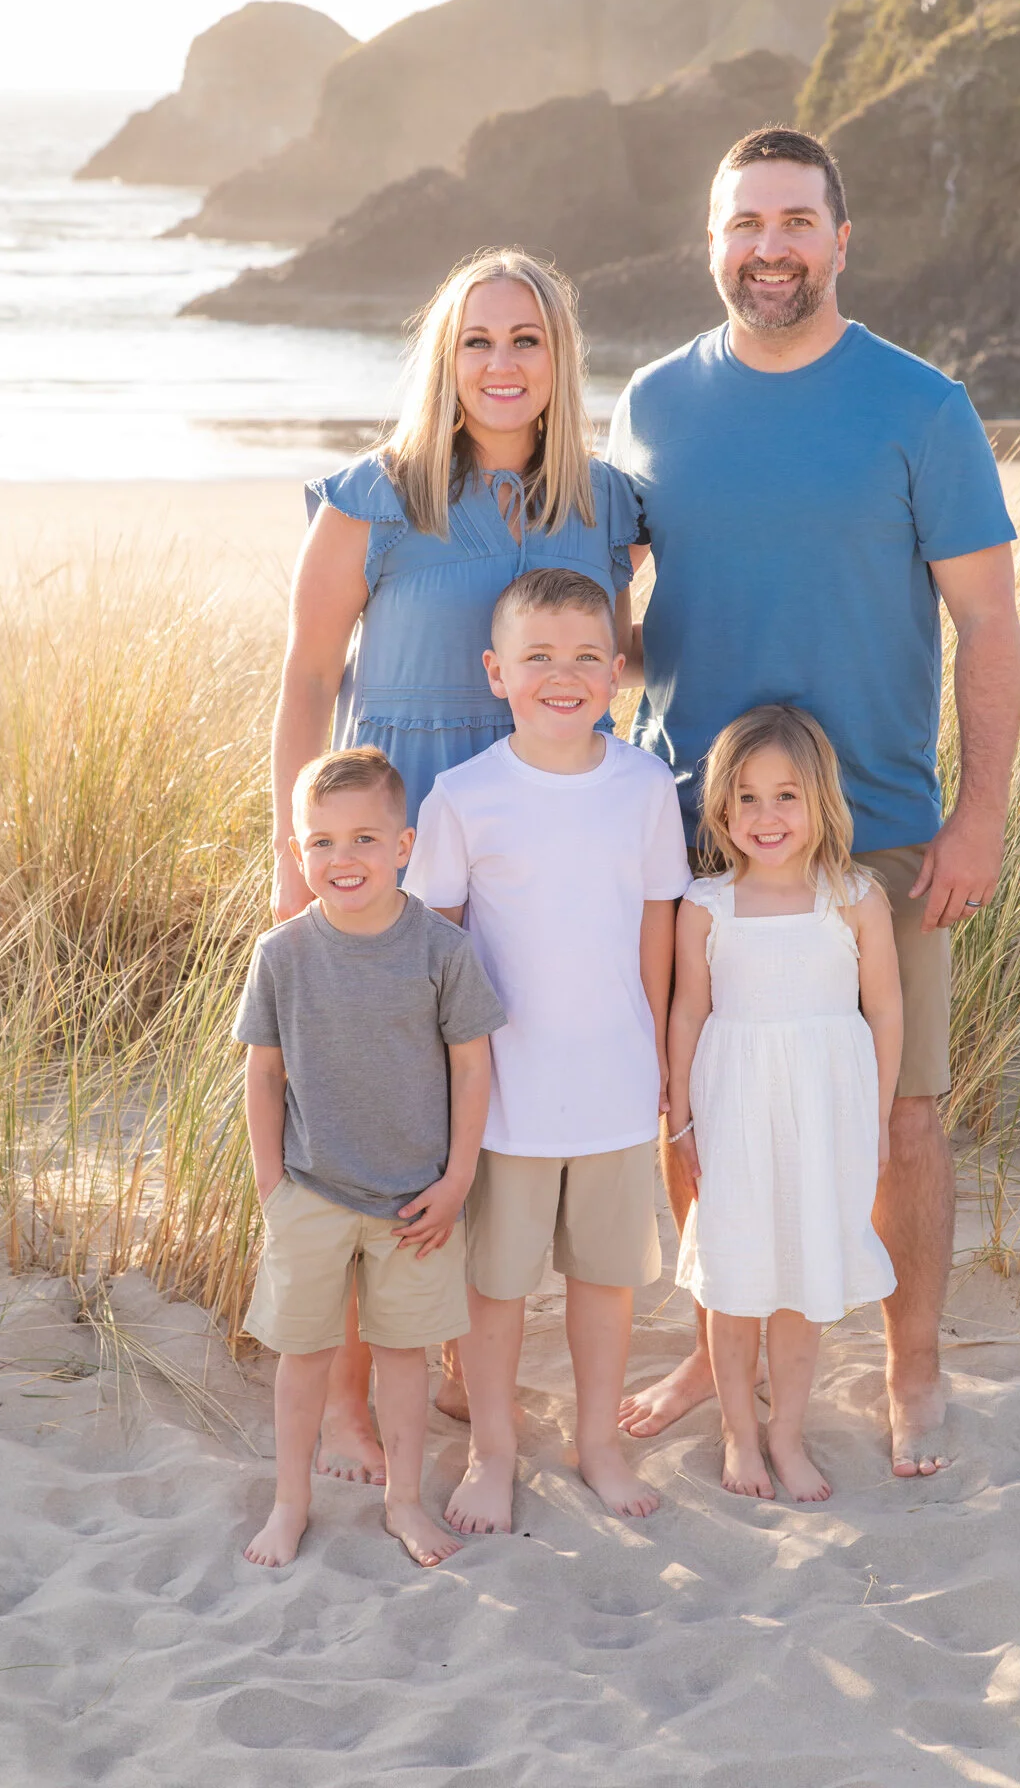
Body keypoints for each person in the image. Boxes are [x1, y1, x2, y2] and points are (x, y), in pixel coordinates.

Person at [609, 126, 1020, 1478]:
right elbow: (616, 619)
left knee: (904, 1113)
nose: (770, 248)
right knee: (697, 1104)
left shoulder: (921, 407)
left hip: (888, 831)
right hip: (693, 835)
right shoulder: (656, 404)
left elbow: (989, 622)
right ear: (711, 241)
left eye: (796, 222)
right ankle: (711, 1339)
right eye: (745, 224)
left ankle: (912, 1367)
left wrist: (980, 816)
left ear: (841, 241)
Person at [271, 249, 643, 1484]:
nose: (500, 365)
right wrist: (295, 857)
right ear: (444, 356)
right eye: (476, 341)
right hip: (398, 849)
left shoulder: (610, 505)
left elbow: (610, 657)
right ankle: (340, 1405)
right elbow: (309, 680)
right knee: (376, 1117)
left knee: (494, 1103)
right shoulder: (370, 498)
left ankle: (451, 1367)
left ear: (558, 360)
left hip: (549, 849)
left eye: (525, 340)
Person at [404, 567, 689, 1532]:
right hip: (504, 1094)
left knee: (606, 1282)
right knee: (497, 1289)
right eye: (536, 658)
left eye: (582, 658)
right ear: (496, 672)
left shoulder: (645, 785)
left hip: (612, 1079)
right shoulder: (463, 796)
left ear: (616, 671)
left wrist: (656, 1055)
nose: (559, 676)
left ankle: (597, 1442)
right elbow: (434, 945)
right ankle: (492, 1449)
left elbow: (657, 929)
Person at [235, 747, 505, 1568]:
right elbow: (263, 1071)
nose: (340, 860)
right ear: (296, 850)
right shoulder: (281, 953)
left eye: (362, 840)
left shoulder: (439, 950)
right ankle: (290, 1504)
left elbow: (471, 1065)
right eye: (319, 842)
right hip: (311, 1191)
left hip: (414, 1199)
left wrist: (458, 1179)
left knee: (402, 1358)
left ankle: (405, 1504)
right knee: (303, 1356)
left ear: (403, 846)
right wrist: (271, 1185)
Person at [668, 704, 902, 1501]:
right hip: (732, 1105)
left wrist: (873, 1118)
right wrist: (680, 1113)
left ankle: (786, 1433)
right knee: (734, 1277)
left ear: (820, 801)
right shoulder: (706, 904)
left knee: (804, 1277)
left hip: (825, 1109)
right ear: (722, 810)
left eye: (786, 796)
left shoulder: (854, 896)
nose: (766, 817)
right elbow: (688, 1012)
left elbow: (886, 1010)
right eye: (746, 797)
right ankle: (737, 1432)